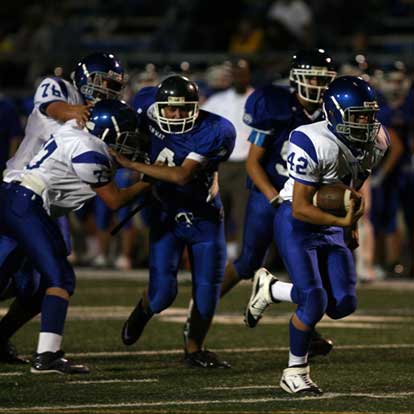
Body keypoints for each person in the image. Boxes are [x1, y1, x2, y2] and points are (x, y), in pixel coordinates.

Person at [182, 49, 337, 367]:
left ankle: (310, 330)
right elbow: (253, 162)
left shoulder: (330, 113)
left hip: (305, 197)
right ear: (296, 79)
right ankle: (196, 320)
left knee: (309, 261)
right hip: (271, 195)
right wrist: (274, 196)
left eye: (324, 81)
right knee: (248, 262)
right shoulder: (275, 105)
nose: (318, 87)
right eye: (312, 78)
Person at [244, 76, 389, 394]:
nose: (366, 123)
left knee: (343, 304)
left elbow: (353, 187)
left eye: (369, 115)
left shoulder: (377, 140)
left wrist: (349, 225)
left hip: (334, 221)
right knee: (314, 300)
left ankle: (273, 289)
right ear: (336, 113)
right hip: (297, 222)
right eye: (358, 116)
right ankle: (294, 372)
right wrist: (346, 219)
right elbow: (300, 208)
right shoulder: (313, 140)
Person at [0, 99, 150, 374]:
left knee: (29, 286)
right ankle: (47, 356)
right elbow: (115, 201)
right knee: (61, 278)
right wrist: (149, 182)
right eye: (125, 134)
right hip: (26, 203)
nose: (129, 141)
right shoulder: (88, 150)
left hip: (15, 199)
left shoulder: (76, 130)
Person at [117, 75, 236, 368]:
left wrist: (133, 165)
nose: (178, 114)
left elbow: (183, 175)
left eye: (185, 109)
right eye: (171, 109)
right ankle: (144, 310)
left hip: (204, 217)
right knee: (162, 296)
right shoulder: (144, 104)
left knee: (207, 295)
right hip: (166, 214)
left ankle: (195, 350)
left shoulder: (215, 130)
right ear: (159, 106)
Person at [202, 59, 254, 260]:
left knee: (243, 216)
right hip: (221, 164)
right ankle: (213, 259)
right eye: (237, 73)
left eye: (244, 73)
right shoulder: (217, 101)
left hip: (246, 164)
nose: (240, 77)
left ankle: (242, 263)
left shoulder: (257, 99)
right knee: (216, 214)